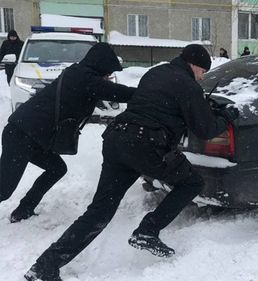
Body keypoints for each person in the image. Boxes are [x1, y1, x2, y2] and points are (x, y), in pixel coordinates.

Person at [25, 44, 239, 281]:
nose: (202, 77)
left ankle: (45, 266)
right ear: (195, 65)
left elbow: (156, 102)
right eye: (202, 72)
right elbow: (205, 128)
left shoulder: (155, 73)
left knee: (99, 212)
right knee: (191, 183)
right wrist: (225, 116)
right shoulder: (188, 85)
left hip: (118, 139)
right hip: (145, 144)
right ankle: (148, 230)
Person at [0, 43, 135, 224]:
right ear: (101, 65)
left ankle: (24, 209)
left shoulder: (79, 74)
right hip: (21, 134)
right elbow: (120, 93)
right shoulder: (85, 78)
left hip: (33, 137)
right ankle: (23, 209)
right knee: (4, 189)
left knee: (57, 169)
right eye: (108, 72)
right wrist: (150, 92)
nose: (108, 77)